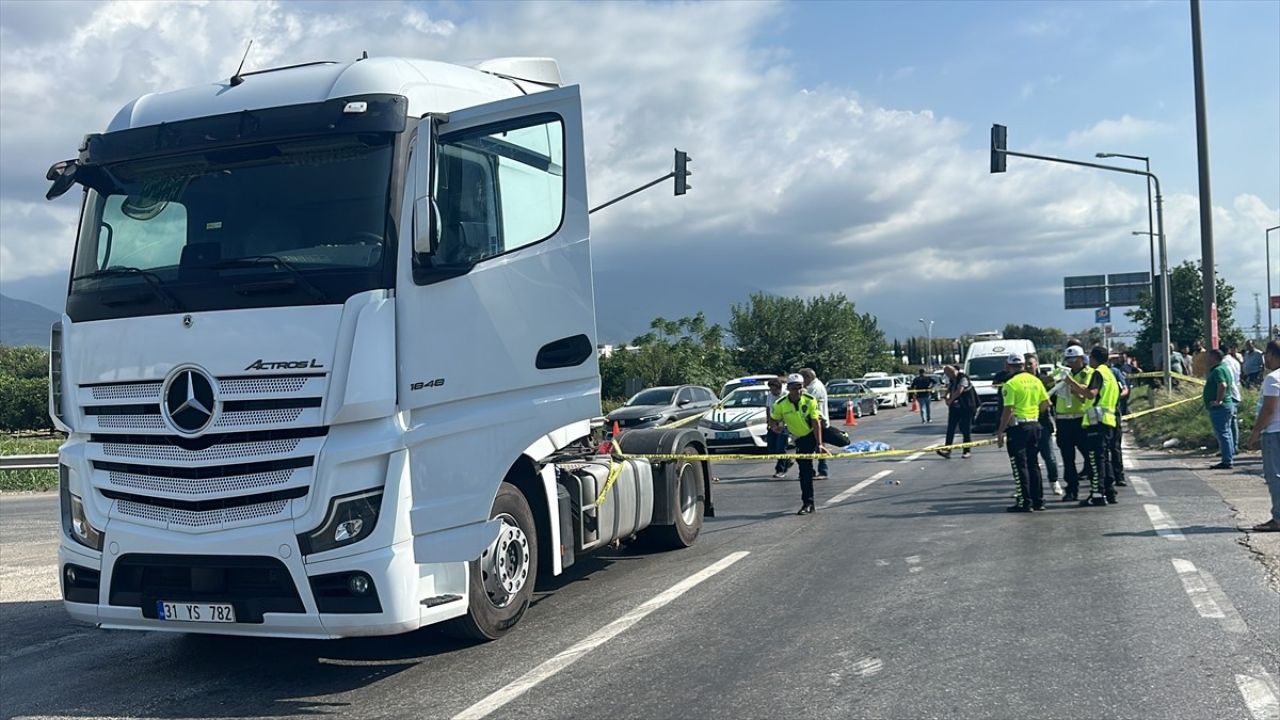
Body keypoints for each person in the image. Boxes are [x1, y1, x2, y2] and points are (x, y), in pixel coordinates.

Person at [1065, 345, 1120, 506]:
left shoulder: (1098, 373)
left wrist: (1071, 382)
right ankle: (1109, 492)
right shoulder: (1109, 373)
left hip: (1097, 421)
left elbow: (1091, 393)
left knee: (1096, 461)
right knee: (1105, 458)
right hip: (1109, 420)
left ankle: (1097, 494)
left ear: (1093, 358)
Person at [996, 353, 1051, 512]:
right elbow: (1047, 402)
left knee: (1020, 465)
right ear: (1023, 365)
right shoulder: (1036, 381)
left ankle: (1024, 501)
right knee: (1033, 464)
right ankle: (1038, 500)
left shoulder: (1010, 384)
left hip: (1018, 428)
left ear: (1008, 366)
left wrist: (1001, 430)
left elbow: (1009, 409)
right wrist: (1034, 414)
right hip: (1034, 424)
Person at [771, 373, 828, 515]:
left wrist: (819, 444)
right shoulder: (780, 404)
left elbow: (816, 422)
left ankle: (838, 438)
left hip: (815, 431)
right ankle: (808, 503)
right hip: (801, 438)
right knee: (805, 471)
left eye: (800, 387)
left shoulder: (809, 400)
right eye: (795, 388)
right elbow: (773, 419)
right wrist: (775, 427)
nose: (798, 391)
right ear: (789, 388)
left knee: (842, 440)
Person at [1245, 340, 1280, 532]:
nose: (1264, 357)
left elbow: (1268, 410)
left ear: (1273, 355)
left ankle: (1278, 518)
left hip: (1274, 432)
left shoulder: (1273, 378)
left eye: (1266, 354)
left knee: (1274, 476)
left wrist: (1255, 433)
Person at [1054, 345, 1092, 501]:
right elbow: (1046, 382)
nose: (1070, 363)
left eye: (1073, 360)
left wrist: (1069, 383)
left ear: (1082, 359)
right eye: (1068, 360)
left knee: (1090, 455)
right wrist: (1053, 379)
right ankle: (1071, 489)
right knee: (1067, 458)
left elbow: (1086, 395)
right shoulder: (1062, 371)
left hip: (1081, 419)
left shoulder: (1088, 373)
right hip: (1063, 420)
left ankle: (1097, 486)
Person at [1024, 353, 1061, 496]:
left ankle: (1054, 481)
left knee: (1050, 457)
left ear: (1036, 365)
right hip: (1026, 425)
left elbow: (1053, 400)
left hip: (1043, 424)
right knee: (1027, 461)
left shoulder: (1045, 380)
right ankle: (1025, 488)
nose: (1028, 367)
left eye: (1030, 364)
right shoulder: (1020, 381)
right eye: (1025, 364)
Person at [1204, 348, 1236, 470]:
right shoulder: (1224, 368)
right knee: (1227, 432)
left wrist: (1218, 401)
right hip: (1226, 406)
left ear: (1214, 357)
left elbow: (1222, 385)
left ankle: (1227, 460)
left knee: (1223, 433)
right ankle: (1229, 456)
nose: (1207, 359)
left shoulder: (1218, 370)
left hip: (1221, 408)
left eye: (1209, 357)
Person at [937, 365, 976, 459]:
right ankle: (947, 450)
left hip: (966, 407)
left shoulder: (963, 378)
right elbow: (950, 387)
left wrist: (950, 400)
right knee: (950, 428)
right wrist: (946, 396)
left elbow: (960, 390)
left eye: (949, 374)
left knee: (965, 429)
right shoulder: (952, 379)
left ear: (953, 371)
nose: (949, 376)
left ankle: (967, 451)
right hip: (955, 408)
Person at [799, 368, 830, 480]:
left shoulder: (815, 388)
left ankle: (823, 471)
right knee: (810, 446)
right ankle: (809, 471)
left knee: (819, 445)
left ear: (808, 377)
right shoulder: (812, 386)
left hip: (818, 420)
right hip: (814, 420)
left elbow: (808, 403)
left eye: (802, 380)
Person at [1108, 354, 1130, 488]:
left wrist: (1115, 396)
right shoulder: (1093, 373)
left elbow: (1125, 389)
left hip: (1113, 412)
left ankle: (1119, 476)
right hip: (1095, 416)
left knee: (1115, 446)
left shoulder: (1115, 372)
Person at [765, 377, 793, 479]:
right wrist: (768, 422)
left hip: (783, 424)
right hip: (773, 423)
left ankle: (780, 470)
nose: (772, 391)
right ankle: (787, 460)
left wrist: (782, 423)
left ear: (779, 388)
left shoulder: (785, 395)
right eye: (771, 389)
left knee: (780, 448)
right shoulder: (770, 396)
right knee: (771, 447)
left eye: (774, 389)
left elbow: (788, 410)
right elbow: (768, 408)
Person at [1223, 342, 1244, 454]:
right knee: (1233, 421)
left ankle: (1228, 448)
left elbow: (1226, 380)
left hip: (1228, 394)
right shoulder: (1235, 361)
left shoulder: (1224, 363)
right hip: (1236, 392)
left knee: (1225, 424)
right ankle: (1234, 446)